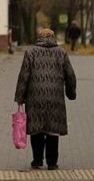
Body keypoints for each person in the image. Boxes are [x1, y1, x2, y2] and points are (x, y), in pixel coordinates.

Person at [14, 28, 77, 170]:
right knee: (52, 129)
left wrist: (20, 97)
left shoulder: (30, 52)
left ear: (39, 38)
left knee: (36, 129)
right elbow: (70, 75)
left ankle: (37, 160)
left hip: (35, 97)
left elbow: (24, 76)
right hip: (55, 97)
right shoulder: (61, 53)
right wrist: (71, 93)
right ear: (53, 38)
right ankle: (52, 163)